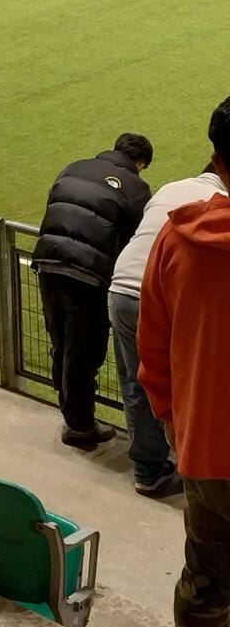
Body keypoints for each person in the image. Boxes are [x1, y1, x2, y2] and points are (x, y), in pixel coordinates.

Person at [139, 98, 230, 627]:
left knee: (206, 580)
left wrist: (175, 423)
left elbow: (153, 350)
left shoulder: (176, 241)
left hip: (206, 452)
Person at [110, 159, 226, 497]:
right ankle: (170, 460)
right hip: (159, 291)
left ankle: (148, 471)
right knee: (190, 377)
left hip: (121, 289)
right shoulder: (211, 208)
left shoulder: (171, 191)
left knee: (137, 383)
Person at [32, 133, 153, 447]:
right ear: (140, 163)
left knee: (61, 343)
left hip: (47, 261)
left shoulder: (74, 166)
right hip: (87, 274)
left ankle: (73, 417)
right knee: (82, 351)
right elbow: (135, 238)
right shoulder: (136, 187)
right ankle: (80, 425)